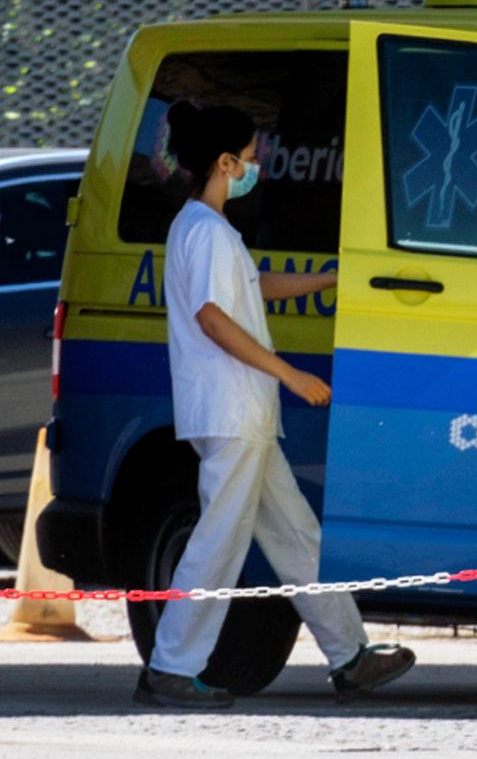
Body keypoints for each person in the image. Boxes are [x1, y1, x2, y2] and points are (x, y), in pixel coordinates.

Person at [135, 102, 414, 710]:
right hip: (232, 412)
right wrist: (290, 373)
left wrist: (330, 279)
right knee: (218, 543)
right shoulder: (206, 231)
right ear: (224, 162)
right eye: (249, 157)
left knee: (294, 534)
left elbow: (252, 287)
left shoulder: (205, 227)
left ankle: (352, 657)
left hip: (243, 416)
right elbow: (213, 319)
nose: (255, 167)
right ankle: (170, 669)